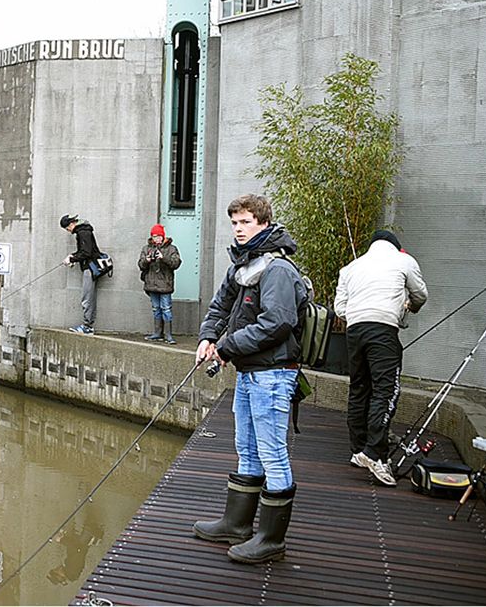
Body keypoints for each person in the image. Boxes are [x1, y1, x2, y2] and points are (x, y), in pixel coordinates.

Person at [192, 194, 309, 565]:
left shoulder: (277, 269)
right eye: (235, 223)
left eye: (245, 223)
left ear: (263, 223)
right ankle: (237, 524)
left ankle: (271, 540)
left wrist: (226, 347)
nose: (239, 230)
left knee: (273, 453)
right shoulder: (242, 266)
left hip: (273, 374)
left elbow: (278, 322)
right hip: (248, 371)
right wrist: (208, 337)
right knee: (246, 446)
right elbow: (220, 305)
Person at [334, 229, 428, 487]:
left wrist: (358, 312)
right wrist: (408, 307)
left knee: (359, 388)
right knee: (386, 391)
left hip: (354, 331)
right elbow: (421, 294)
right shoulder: (404, 260)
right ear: (396, 247)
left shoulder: (350, 267)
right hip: (383, 330)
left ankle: (358, 450)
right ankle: (374, 453)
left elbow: (340, 308)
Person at [138, 224, 182, 343]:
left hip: (165, 285)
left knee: (166, 309)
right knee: (156, 309)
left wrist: (163, 258)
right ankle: (157, 333)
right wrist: (147, 260)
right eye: (154, 236)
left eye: (158, 236)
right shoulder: (146, 248)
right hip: (151, 285)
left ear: (163, 236)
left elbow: (176, 263)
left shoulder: (171, 249)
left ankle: (168, 335)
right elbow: (140, 265)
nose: (156, 239)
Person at [61, 214, 101, 335]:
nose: (68, 231)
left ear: (72, 224)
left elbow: (86, 253)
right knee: (89, 297)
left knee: (87, 297)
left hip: (90, 268)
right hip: (90, 267)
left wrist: (72, 260)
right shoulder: (84, 231)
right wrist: (73, 256)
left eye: (67, 228)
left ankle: (87, 326)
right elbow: (83, 251)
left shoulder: (82, 232)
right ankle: (88, 325)